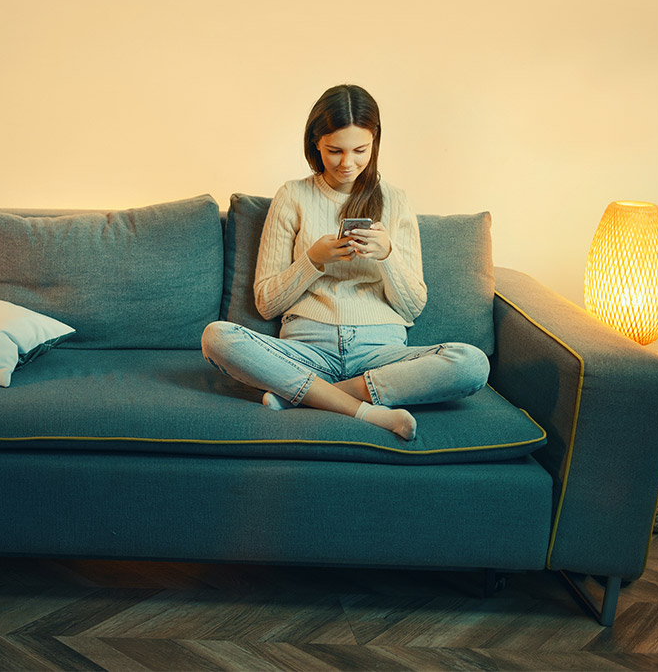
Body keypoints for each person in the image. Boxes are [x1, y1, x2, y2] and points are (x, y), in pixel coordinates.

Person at [201, 85, 489, 440]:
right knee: (217, 336)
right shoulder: (293, 195)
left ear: (375, 142)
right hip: (307, 350)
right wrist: (312, 260)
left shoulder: (396, 200)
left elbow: (412, 307)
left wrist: (387, 256)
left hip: (380, 353)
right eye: (334, 150)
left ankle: (312, 395)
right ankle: (368, 411)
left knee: (472, 363)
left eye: (360, 150)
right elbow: (265, 304)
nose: (347, 163)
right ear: (315, 143)